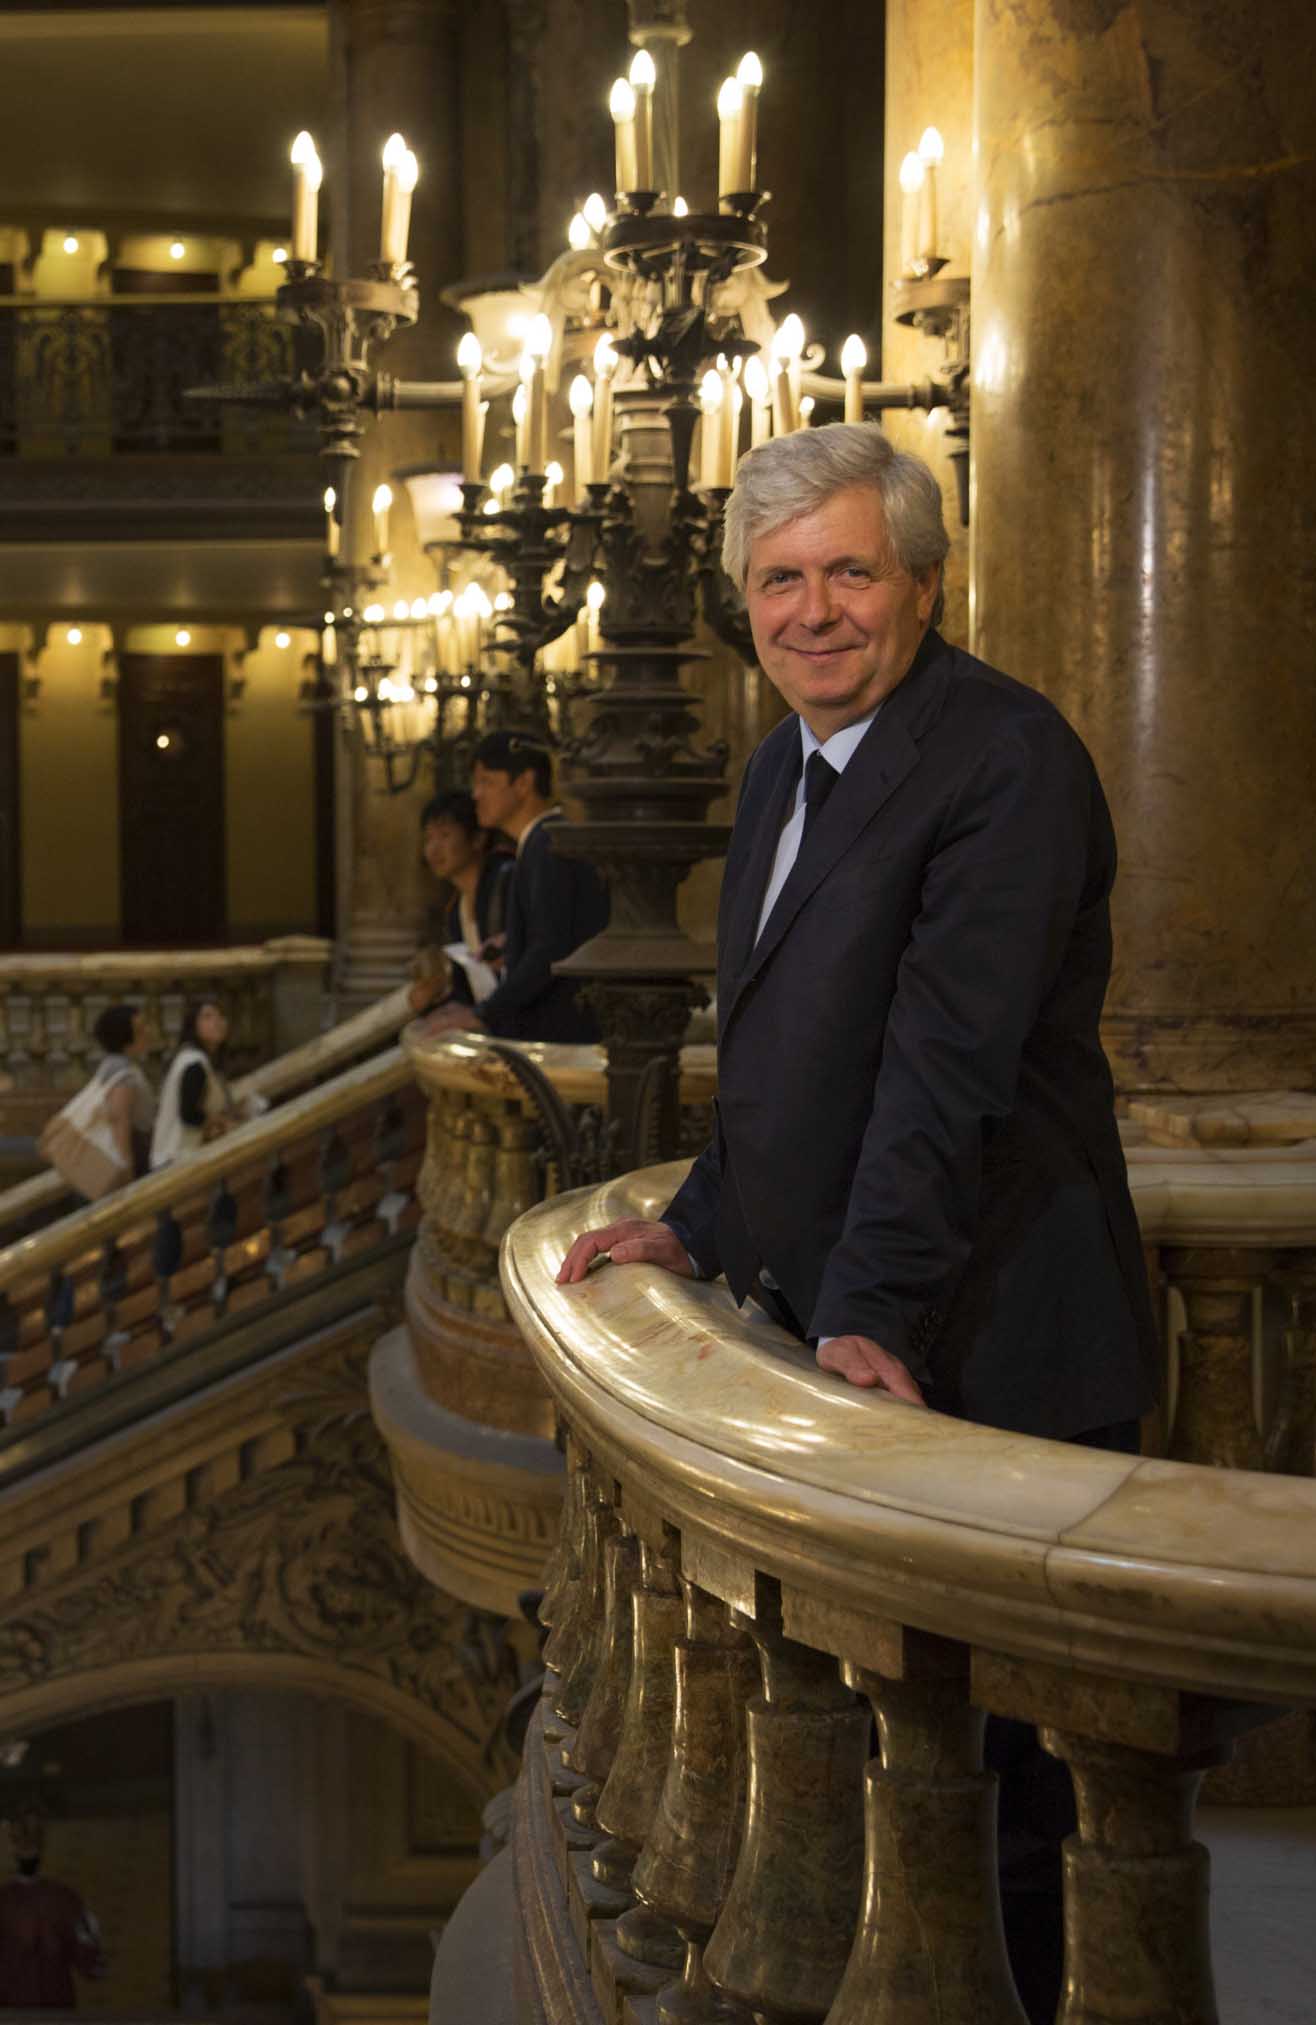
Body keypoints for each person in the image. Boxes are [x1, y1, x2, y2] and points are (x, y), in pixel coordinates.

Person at [557, 422, 1159, 2022]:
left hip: (1003, 1334)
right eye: (777, 582)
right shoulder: (780, 762)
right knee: (898, 1807)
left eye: (847, 572)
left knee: (1019, 1816)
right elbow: (781, 1056)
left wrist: (871, 1309)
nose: (811, 611)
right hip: (865, 1325)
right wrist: (696, 1222)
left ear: (924, 583)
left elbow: (941, 1068)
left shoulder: (1003, 758)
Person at [424, 732, 609, 1045]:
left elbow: (551, 948)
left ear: (523, 783)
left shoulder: (548, 842)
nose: (476, 795)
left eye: (487, 782)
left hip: (564, 1035)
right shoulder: (541, 841)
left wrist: (483, 1013)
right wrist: (511, 947)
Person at [408, 789, 515, 1016]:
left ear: (477, 838)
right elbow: (468, 988)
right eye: (428, 839)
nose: (434, 849)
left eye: (445, 835)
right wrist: (433, 997)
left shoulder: (507, 881)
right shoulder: (457, 909)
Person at [0, 1813, 106, 2007]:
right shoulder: (66, 1899)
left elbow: (92, 1965)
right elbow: (93, 1966)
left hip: (22, 2011)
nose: (26, 1846)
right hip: (47, 2009)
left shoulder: (65, 1900)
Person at [149, 998, 247, 1169]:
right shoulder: (193, 1063)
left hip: (184, 1154)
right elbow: (189, 1115)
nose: (217, 1022)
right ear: (193, 1025)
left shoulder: (202, 1060)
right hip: (176, 1157)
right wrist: (222, 1122)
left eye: (221, 1016)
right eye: (207, 1017)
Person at [89, 1003, 156, 1180]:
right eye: (141, 1030)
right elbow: (120, 1119)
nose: (148, 1032)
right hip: (133, 1152)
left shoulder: (118, 1064)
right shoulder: (120, 1069)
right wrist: (126, 1168)